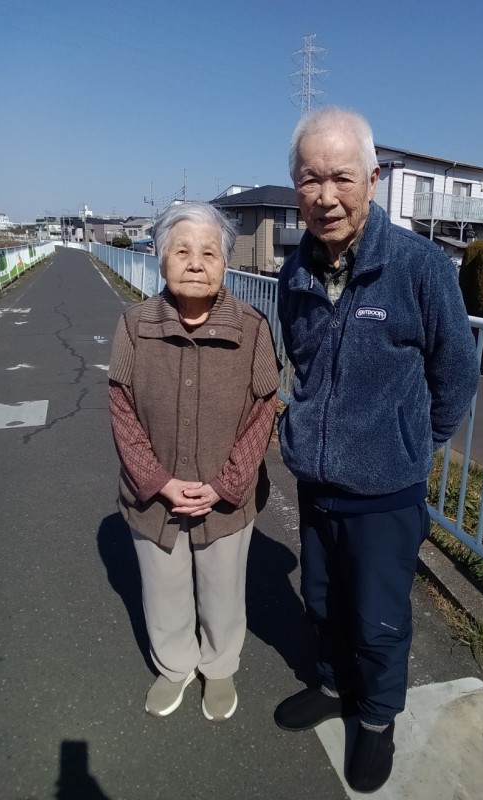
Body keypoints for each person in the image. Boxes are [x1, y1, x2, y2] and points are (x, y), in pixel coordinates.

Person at [274, 108, 480, 793]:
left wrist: (415, 443)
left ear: (373, 178)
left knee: (379, 618)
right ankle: (335, 685)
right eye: (311, 179)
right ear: (295, 185)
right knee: (322, 599)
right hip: (317, 483)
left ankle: (378, 718)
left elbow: (457, 371)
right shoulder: (294, 272)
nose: (326, 195)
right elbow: (303, 363)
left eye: (341, 177)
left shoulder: (419, 267)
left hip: (386, 492)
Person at [108, 202, 279, 722]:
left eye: (209, 252)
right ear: (161, 259)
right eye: (181, 251)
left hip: (226, 499)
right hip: (152, 497)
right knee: (163, 587)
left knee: (222, 588)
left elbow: (264, 410)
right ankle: (174, 665)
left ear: (225, 263)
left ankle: (220, 666)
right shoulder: (134, 325)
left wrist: (227, 484)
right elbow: (121, 407)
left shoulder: (252, 328)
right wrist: (157, 481)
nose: (196, 263)